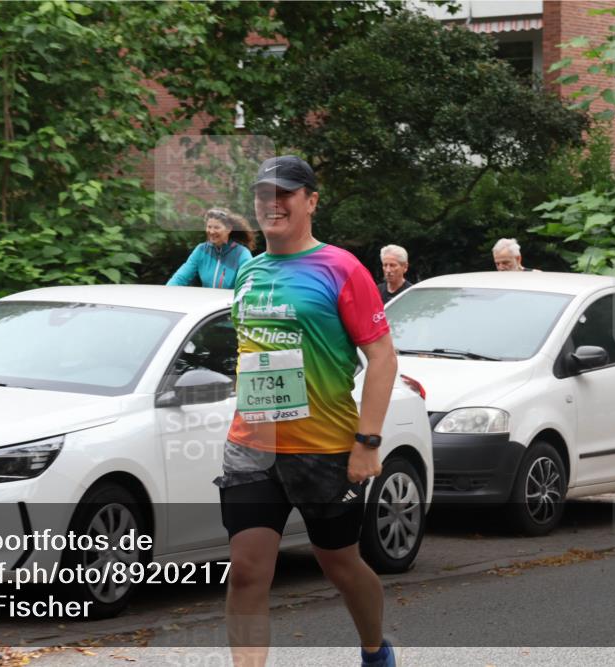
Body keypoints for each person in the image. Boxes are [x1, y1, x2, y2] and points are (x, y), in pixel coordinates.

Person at [216, 155, 400, 667]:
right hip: (252, 445)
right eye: (262, 195)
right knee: (248, 570)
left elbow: (383, 358)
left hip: (325, 449)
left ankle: (373, 648)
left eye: (285, 194)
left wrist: (368, 442)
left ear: (311, 201)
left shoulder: (342, 269)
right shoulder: (248, 272)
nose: (272, 204)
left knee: (340, 563)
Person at [166, 208, 255, 289]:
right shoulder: (201, 250)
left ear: (229, 229)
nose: (211, 231)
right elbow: (180, 277)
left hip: (230, 305)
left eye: (216, 227)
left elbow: (250, 284)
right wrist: (166, 292)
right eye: (209, 227)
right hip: (209, 304)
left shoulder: (242, 253)